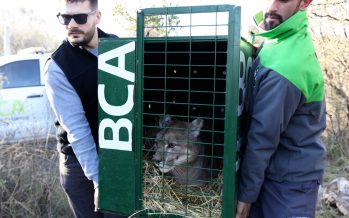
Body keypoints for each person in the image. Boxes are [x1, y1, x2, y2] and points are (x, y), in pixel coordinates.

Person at [236, 0, 326, 217]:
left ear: (304, 2)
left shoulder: (286, 67)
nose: (271, 7)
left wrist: (245, 197)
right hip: (271, 172)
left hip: (289, 187)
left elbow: (262, 138)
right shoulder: (280, 37)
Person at [44, 0, 122, 217]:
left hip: (118, 152)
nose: (71, 24)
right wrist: (99, 182)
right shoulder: (57, 66)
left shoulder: (119, 48)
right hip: (80, 163)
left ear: (97, 16)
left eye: (80, 18)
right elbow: (77, 129)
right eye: (65, 18)